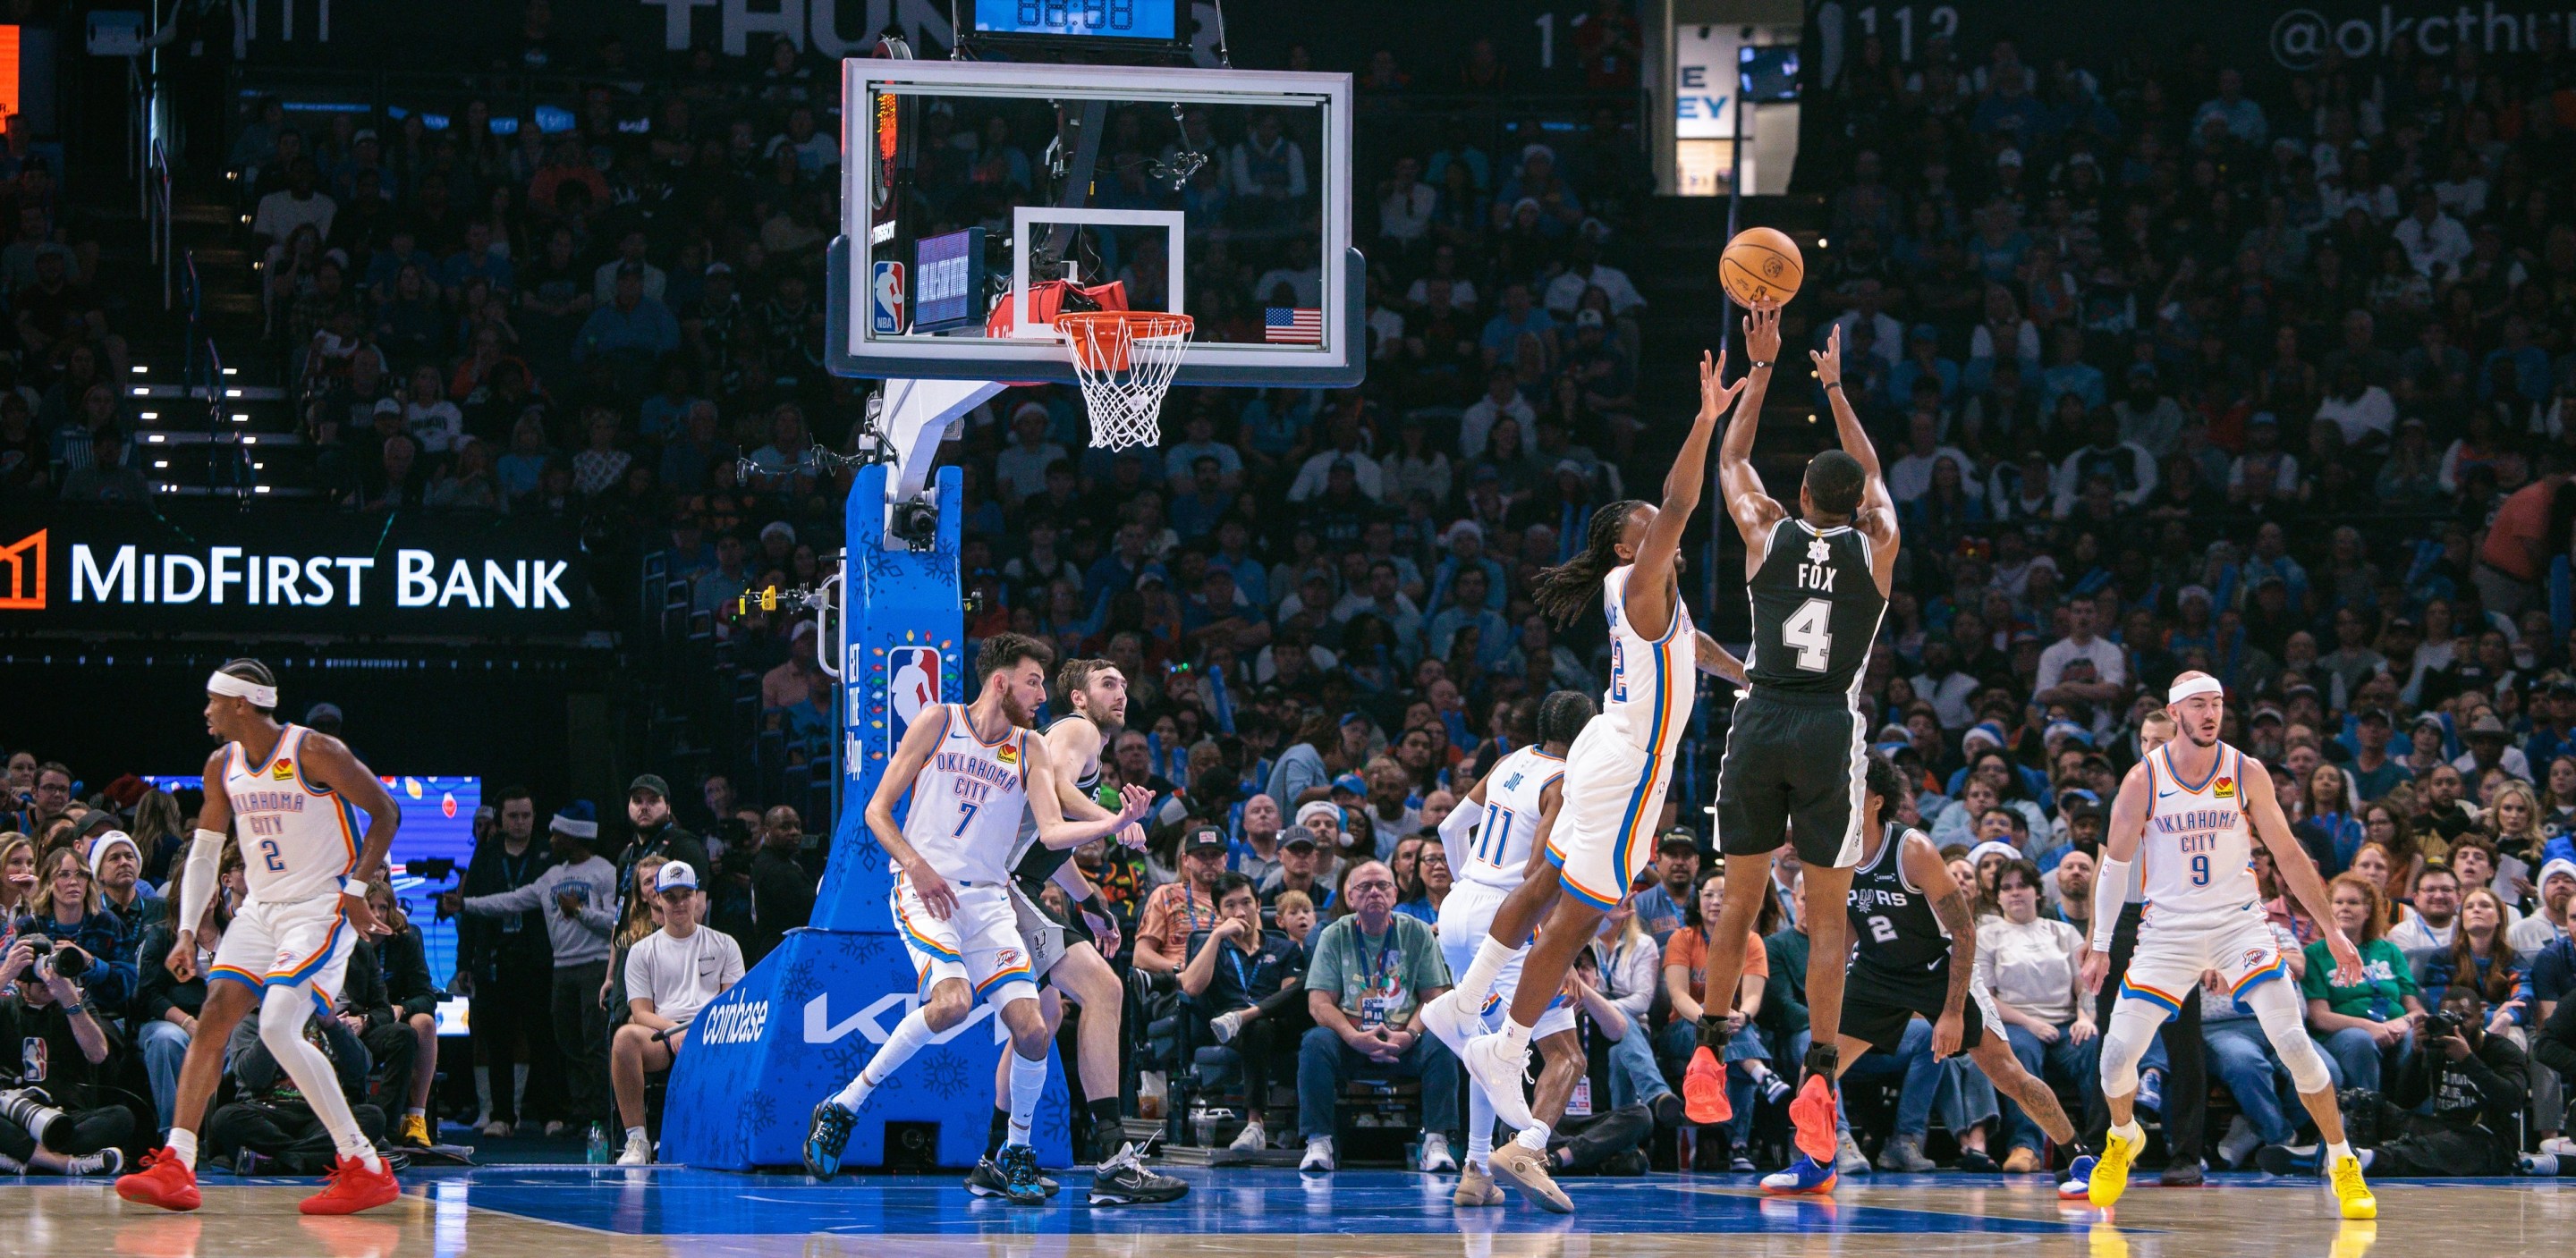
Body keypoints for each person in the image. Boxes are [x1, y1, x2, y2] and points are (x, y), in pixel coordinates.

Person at [1429, 323, 1759, 1213]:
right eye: (1649, 533)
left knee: (1546, 890)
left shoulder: (1662, 602)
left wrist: (1751, 675)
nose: (1666, 537)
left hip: (1605, 751)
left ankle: (1471, 1012)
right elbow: (1684, 498)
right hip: (1630, 766)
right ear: (1626, 547)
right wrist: (1706, 420)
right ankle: (1499, 1044)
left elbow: (1705, 649)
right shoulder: (1641, 581)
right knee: (1578, 919)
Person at [801, 634, 1152, 1205]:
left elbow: (1054, 830)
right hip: (925, 892)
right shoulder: (939, 722)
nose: (1044, 694)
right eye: (1034, 681)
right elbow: (876, 811)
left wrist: (1113, 824)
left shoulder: (1030, 748)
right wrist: (917, 867)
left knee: (1037, 1028)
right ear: (1000, 681)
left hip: (989, 901)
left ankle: (1013, 1153)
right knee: (952, 1003)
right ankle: (844, 1106)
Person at [1699, 317, 1902, 1195]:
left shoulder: (1764, 533)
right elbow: (1881, 483)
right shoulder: (1878, 546)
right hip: (1830, 726)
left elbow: (1731, 464)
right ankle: (1819, 1078)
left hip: (1762, 714)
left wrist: (1762, 365)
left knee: (1741, 902)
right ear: (1854, 505)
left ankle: (1708, 1052)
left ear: (1800, 498)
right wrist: (1835, 388)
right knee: (1829, 918)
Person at [117, 659, 407, 1216]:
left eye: (213, 701)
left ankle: (363, 1165)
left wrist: (356, 886)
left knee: (276, 1024)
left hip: (318, 906)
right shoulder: (221, 764)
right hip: (261, 908)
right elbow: (204, 852)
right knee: (216, 1015)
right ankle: (178, 1162)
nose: (205, 711)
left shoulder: (315, 751)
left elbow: (386, 811)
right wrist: (184, 930)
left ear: (241, 704)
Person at [2082, 671, 2375, 1220]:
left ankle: (2342, 1160)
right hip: (2168, 929)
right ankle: (2123, 1138)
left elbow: (2287, 852)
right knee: (2116, 1057)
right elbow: (2115, 867)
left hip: (2239, 924)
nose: (2210, 714)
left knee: (2292, 1041)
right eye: (2198, 705)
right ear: (2175, 714)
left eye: (2217, 703)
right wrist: (2099, 945)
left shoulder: (2245, 771)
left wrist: (2332, 929)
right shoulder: (2143, 780)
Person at [1765, 753, 2089, 1195]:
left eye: (1851, 790)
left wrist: (1952, 1012)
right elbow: (1845, 926)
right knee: (1816, 1067)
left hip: (1940, 966)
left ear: (1877, 801)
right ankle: (1817, 1162)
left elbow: (1963, 930)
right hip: (1878, 970)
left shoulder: (1912, 849)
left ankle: (2081, 1158)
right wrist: (1844, 986)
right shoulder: (1836, 850)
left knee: (2008, 1073)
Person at [980, 659, 1184, 1205]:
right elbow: (1062, 796)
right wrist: (1118, 817)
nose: (1120, 693)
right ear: (1076, 697)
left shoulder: (1066, 738)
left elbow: (1053, 841)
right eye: (1106, 684)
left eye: (1124, 684)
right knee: (1105, 989)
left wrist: (1091, 901)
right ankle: (1114, 1159)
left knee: (1043, 1020)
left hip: (1013, 881)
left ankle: (993, 1159)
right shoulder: (1079, 732)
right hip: (1008, 886)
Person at [1428, 689, 1595, 1204]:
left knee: (1490, 1053)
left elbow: (1449, 827)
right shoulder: (1564, 783)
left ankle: (1476, 1171)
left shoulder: (1509, 761)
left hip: (1460, 908)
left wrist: (1466, 888)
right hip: (1509, 918)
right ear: (1589, 734)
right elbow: (1533, 874)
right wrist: (1553, 951)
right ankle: (1529, 1146)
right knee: (1565, 1055)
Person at [447, 802, 621, 1141]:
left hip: (596, 966)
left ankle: (602, 1115)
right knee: (568, 1044)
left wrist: (582, 912)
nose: (551, 838)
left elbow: (616, 922)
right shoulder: (552, 877)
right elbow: (510, 901)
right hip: (562, 969)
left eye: (558, 832)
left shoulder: (604, 871)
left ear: (574, 834)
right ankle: (581, 1112)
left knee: (594, 1045)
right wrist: (466, 904)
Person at [1296, 859, 1458, 1174]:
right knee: (1315, 1042)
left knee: (1442, 1042)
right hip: (1351, 1040)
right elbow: (1319, 1004)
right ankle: (1319, 1141)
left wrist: (1409, 1035)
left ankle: (1436, 1141)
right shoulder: (1334, 935)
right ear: (1351, 897)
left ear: (1394, 895)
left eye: (1382, 886)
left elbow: (1435, 997)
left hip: (1404, 1040)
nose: (1374, 892)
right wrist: (1353, 1036)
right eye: (1364, 887)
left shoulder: (1418, 932)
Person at [609, 861, 744, 1164]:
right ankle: (636, 1140)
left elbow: (732, 1003)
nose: (680, 903)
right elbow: (641, 1012)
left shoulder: (725, 944)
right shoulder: (641, 951)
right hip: (663, 1032)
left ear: (697, 896)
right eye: (671, 896)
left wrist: (697, 1031)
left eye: (686, 894)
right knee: (624, 1039)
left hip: (713, 1032)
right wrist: (674, 1030)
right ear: (657, 898)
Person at [1977, 858, 2097, 1173]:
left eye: (2023, 886)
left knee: (2096, 1047)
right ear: (1997, 896)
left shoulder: (2063, 931)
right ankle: (2025, 1146)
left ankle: (2099, 1145)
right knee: (2018, 1052)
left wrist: (2086, 1017)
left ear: (2037, 893)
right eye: (2007, 888)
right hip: (2017, 1023)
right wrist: (2030, 1023)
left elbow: (2084, 986)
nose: (2015, 893)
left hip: (2067, 1022)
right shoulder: (1987, 935)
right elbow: (1986, 997)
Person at [1177, 872, 1306, 1153]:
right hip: (1228, 1026)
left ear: (1258, 904)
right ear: (1218, 912)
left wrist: (1256, 1012)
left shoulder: (1284, 947)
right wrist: (1216, 935)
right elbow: (1191, 986)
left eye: (1246, 902)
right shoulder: (1211, 945)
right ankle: (1255, 1124)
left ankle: (1258, 1125)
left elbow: (1289, 997)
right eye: (1230, 905)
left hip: (1278, 1022)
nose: (1240, 912)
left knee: (1297, 991)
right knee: (1254, 1029)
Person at [0, 928, 130, 1174]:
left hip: (66, 1119)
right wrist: (5, 973)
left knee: (121, 1117)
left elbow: (98, 1054)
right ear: (19, 979)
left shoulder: (76, 1004)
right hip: (15, 1115)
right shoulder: (5, 1008)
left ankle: (26, 1158)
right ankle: (63, 1163)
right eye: (34, 971)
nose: (44, 977)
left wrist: (71, 1003)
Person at [2301, 873, 2428, 1094]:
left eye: (2353, 902)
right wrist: (2369, 1027)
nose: (2345, 908)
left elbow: (2416, 1010)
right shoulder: (2314, 955)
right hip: (2343, 1035)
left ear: (2368, 911)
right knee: (2360, 1040)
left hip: (2394, 1028)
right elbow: (2319, 1018)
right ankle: (2364, 1116)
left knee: (2418, 1040)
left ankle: (2417, 1120)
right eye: (2338, 902)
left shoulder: (2390, 951)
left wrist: (2403, 1022)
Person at [352, 880, 442, 1148]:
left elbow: (426, 996)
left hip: (392, 1020)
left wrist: (404, 1008)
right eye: (370, 907)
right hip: (355, 1021)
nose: (378, 915)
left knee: (422, 1024)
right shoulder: (344, 940)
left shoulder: (407, 939)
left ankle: (414, 1118)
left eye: (384, 907)